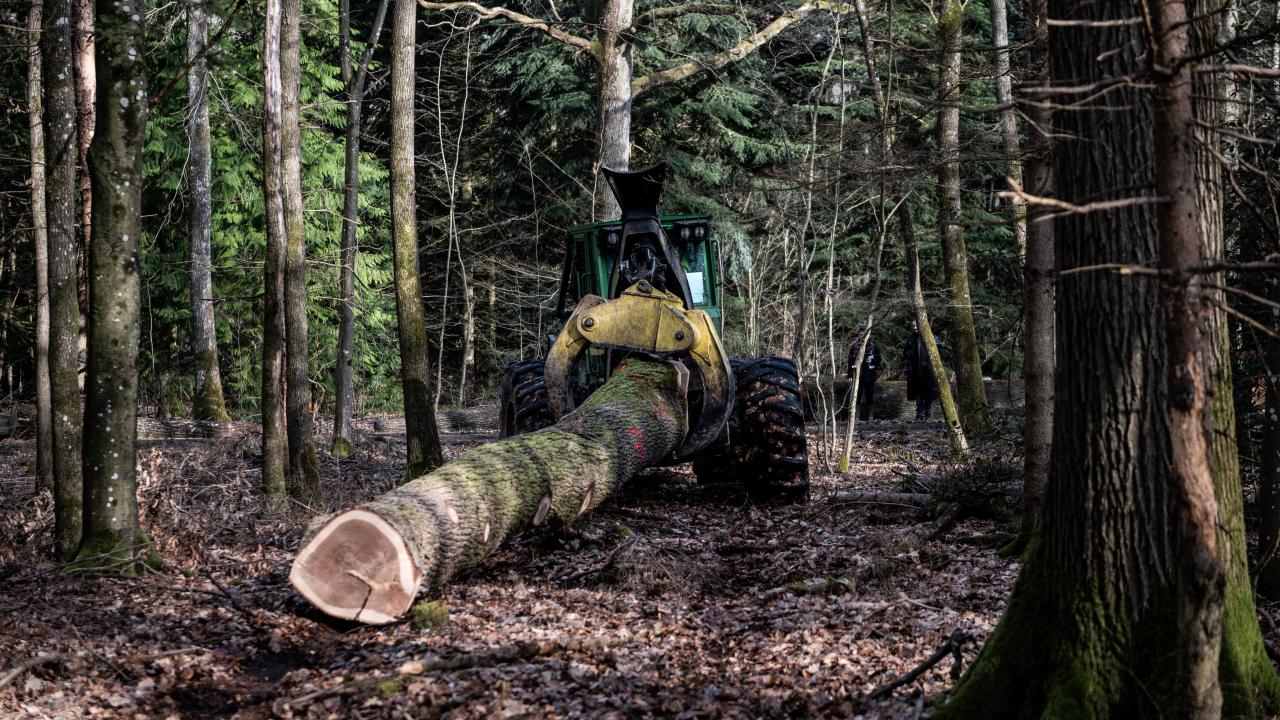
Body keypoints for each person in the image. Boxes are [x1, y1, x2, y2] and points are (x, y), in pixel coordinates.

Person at [904, 321, 939, 421]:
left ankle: (928, 414)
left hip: (929, 371)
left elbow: (940, 350)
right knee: (918, 393)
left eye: (916, 326)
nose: (915, 328)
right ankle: (919, 414)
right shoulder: (910, 338)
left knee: (929, 393)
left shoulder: (931, 337)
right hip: (915, 371)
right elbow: (905, 352)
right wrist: (909, 354)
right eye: (913, 326)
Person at [847, 336, 879, 422]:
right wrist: (850, 375)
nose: (862, 337)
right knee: (857, 396)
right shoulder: (854, 347)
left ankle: (870, 417)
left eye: (864, 335)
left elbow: (879, 359)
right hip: (857, 375)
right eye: (860, 334)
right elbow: (850, 362)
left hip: (869, 375)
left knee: (870, 395)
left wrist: (872, 361)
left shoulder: (874, 346)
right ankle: (856, 417)